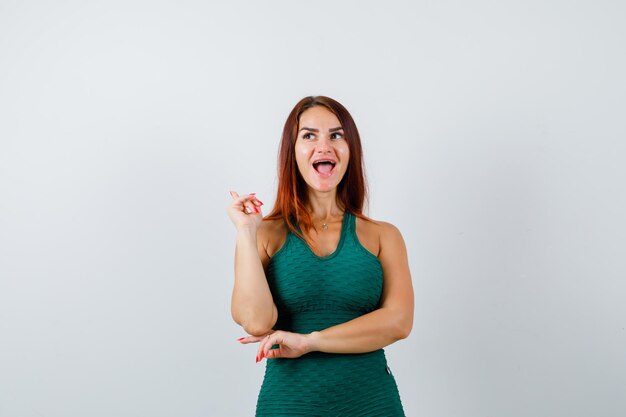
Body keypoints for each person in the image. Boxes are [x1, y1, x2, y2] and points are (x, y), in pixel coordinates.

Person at [227, 96, 414, 416]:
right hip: (289, 405)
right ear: (293, 151)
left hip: (372, 405)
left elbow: (398, 322)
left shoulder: (384, 235)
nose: (324, 145)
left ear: (350, 150)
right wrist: (246, 232)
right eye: (309, 135)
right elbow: (257, 323)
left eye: (336, 135)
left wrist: (310, 341)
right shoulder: (265, 233)